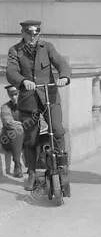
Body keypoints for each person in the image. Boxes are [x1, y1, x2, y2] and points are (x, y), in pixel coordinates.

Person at [6, 20, 71, 190]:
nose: (33, 37)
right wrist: (23, 81)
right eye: (29, 33)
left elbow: (61, 63)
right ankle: (32, 173)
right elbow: (11, 72)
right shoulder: (15, 51)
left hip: (50, 97)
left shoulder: (47, 47)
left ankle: (62, 167)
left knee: (57, 130)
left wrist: (64, 76)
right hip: (29, 101)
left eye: (36, 33)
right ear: (23, 33)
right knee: (30, 139)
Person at [0, 85, 24, 178]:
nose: (14, 97)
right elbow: (8, 123)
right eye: (11, 95)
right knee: (16, 131)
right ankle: (17, 164)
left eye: (16, 94)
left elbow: (37, 121)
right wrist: (23, 125)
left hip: (26, 136)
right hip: (9, 138)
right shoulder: (5, 107)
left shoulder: (28, 106)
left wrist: (20, 124)